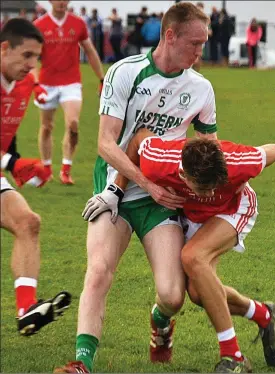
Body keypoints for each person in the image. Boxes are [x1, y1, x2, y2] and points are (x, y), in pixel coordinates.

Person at [83, 127, 275, 372]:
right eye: (204, 189)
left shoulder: (240, 160)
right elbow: (136, 141)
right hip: (193, 218)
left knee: (192, 257)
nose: (210, 194)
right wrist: (117, 190)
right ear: (184, 175)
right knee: (198, 294)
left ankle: (233, 356)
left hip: (234, 210)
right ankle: (263, 314)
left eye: (215, 186)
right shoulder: (161, 159)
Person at [53, 3, 218, 373]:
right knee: (98, 270)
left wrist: (209, 193)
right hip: (115, 189)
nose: (199, 52)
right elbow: (106, 144)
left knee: (173, 296)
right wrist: (143, 183)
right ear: (169, 35)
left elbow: (211, 150)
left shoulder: (202, 88)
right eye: (194, 43)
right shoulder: (125, 72)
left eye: (203, 44)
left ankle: (160, 323)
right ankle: (82, 364)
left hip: (162, 201)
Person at [1, 18, 72, 336]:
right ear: (4, 48)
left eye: (37, 58)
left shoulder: (25, 84)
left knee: (28, 222)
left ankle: (26, 310)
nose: (32, 65)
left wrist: (19, 164)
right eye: (27, 56)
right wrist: (13, 163)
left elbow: (6, 136)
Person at [33, 0, 105, 185]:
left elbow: (90, 51)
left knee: (73, 124)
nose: (61, 2)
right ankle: (47, 169)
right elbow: (32, 56)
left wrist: (102, 79)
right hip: (47, 83)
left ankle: (66, 169)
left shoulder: (78, 23)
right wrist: (35, 84)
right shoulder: (39, 25)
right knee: (46, 126)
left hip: (71, 82)